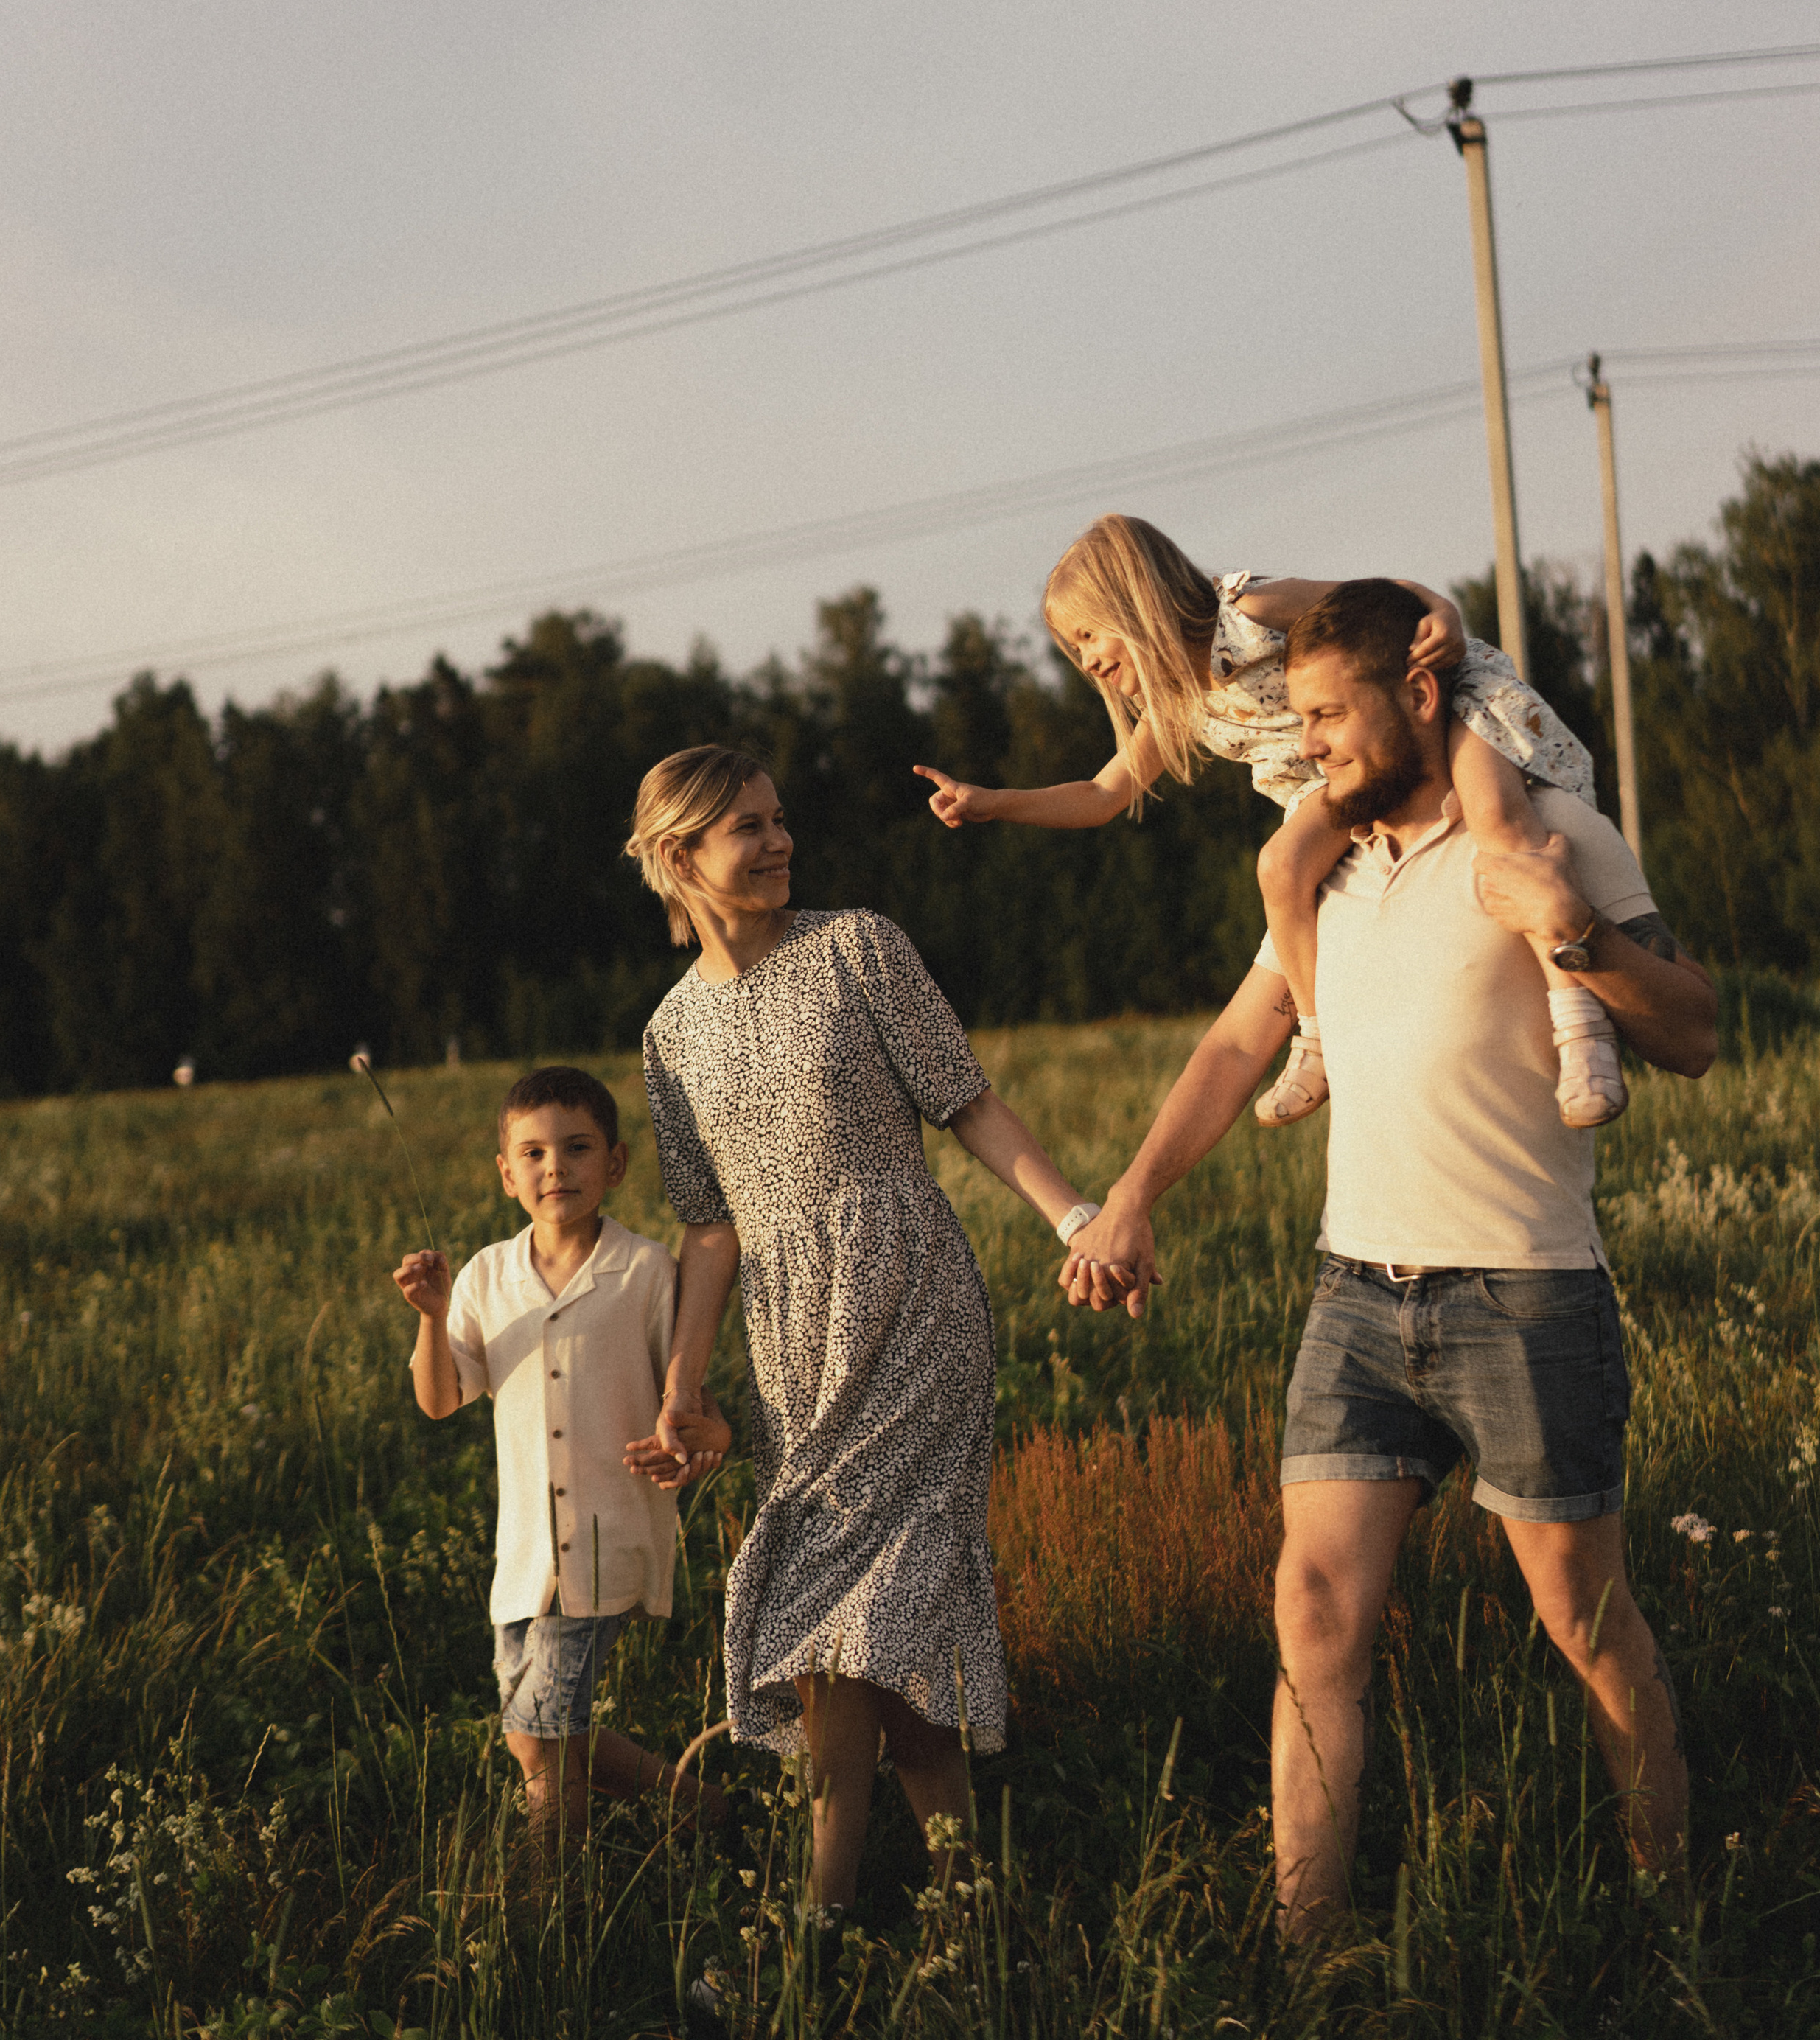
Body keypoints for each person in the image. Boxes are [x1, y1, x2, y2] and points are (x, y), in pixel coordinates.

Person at [1058, 581, 1716, 1938]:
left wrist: (1573, 931)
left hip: (1526, 1293)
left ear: (1418, 694)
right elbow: (1238, 1043)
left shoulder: (1551, 832)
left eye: (1327, 716)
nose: (1306, 745)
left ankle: (1676, 1917)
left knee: (1584, 1620)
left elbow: (1694, 1031)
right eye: (1294, 720)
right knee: (1312, 1612)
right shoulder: (1325, 871)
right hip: (1356, 1295)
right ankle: (1309, 1951)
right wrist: (1130, 1196)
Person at [620, 744, 1098, 1924]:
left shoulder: (858, 947)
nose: (781, 841)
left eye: (780, 819)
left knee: (872, 1617)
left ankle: (822, 1918)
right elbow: (710, 1227)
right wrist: (684, 1383)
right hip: (793, 1346)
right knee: (862, 1628)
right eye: (749, 826)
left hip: (912, 1303)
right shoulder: (669, 1033)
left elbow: (969, 1104)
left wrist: (1076, 1218)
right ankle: (964, 1908)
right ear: (679, 854)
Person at [914, 511, 1626, 1133]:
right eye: (1074, 650)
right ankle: (1317, 1039)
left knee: (1498, 816)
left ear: (1134, 601)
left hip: (1434, 704)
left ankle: (1582, 1028)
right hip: (1339, 773)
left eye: (1088, 634)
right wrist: (993, 802)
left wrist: (1442, 610)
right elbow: (1102, 794)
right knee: (1280, 866)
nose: (1087, 660)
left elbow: (1378, 601)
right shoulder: (1176, 701)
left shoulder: (1251, 610)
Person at [393, 1064, 727, 1844]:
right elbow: (440, 1400)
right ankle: (704, 1812)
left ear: (615, 1163)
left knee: (541, 1738)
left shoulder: (645, 1271)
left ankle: (551, 1893)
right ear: (506, 1174)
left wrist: (697, 1443)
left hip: (608, 1542)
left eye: (577, 1148)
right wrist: (432, 1316)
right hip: (523, 1554)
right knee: (534, 1735)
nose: (556, 1169)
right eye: (534, 1154)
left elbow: (694, 1403)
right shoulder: (486, 1275)